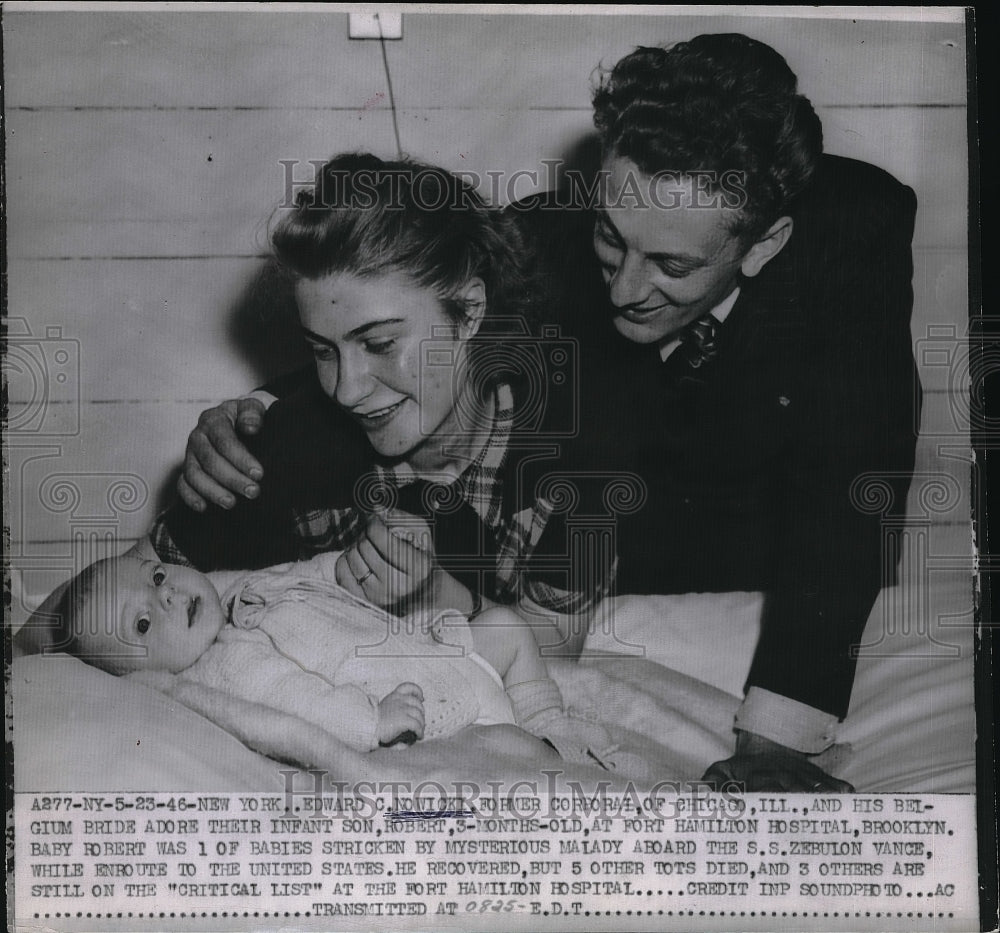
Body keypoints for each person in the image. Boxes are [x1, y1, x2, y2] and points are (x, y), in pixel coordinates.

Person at [170, 35, 920, 792]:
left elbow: (850, 486)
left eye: (671, 264)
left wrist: (775, 742)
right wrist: (260, 414)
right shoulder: (540, 239)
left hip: (735, 572)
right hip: (582, 557)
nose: (626, 289)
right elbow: (387, 307)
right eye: (610, 237)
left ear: (762, 247)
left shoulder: (850, 237)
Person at [147, 153, 612, 634]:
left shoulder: (577, 451)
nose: (346, 391)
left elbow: (554, 657)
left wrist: (438, 599)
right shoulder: (290, 443)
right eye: (323, 351)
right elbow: (97, 604)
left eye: (379, 344)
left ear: (469, 311)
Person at [32, 548, 617, 766]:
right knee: (497, 750)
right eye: (143, 622)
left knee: (506, 627)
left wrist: (343, 566)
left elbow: (309, 576)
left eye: (157, 577)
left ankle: (551, 722)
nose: (166, 596)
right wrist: (373, 722)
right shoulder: (226, 667)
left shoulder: (241, 591)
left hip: (430, 654)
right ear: (149, 671)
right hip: (427, 709)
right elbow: (298, 707)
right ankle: (546, 748)